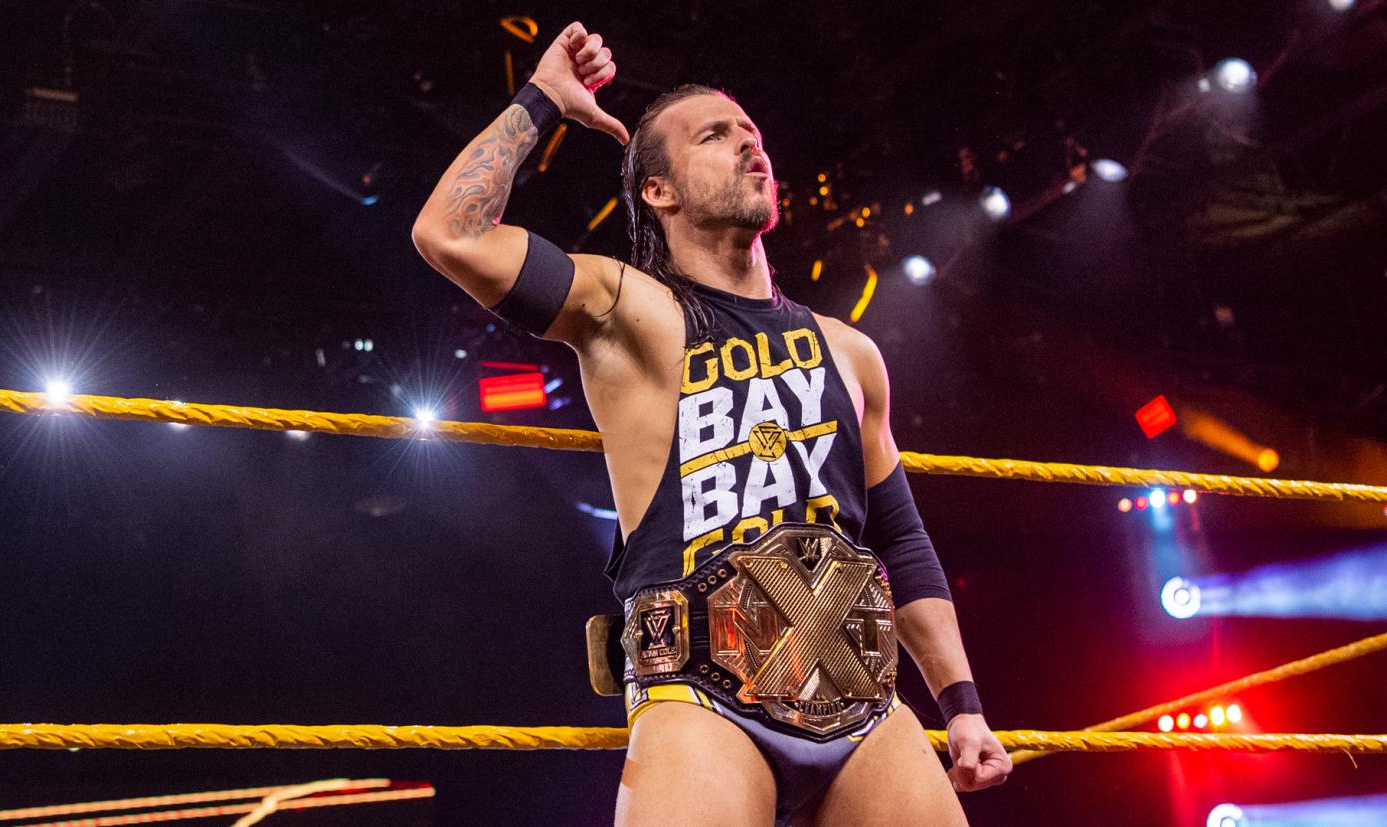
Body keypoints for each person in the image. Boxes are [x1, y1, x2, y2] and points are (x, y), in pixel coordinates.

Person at [411, 21, 1012, 826]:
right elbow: (448, 233)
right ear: (659, 191)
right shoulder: (626, 309)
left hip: (861, 701)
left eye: (751, 132)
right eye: (715, 136)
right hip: (700, 696)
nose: (749, 145)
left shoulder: (850, 352)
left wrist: (962, 704)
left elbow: (898, 537)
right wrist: (545, 98)